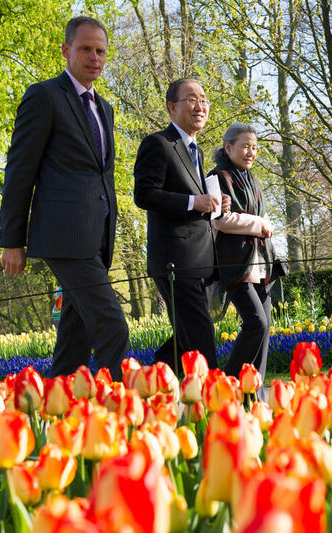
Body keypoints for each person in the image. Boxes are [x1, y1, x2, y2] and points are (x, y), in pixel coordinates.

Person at [0, 16, 128, 380]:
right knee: (113, 327)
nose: (95, 58)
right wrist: (12, 240)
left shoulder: (104, 108)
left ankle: (58, 404)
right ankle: (116, 410)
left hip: (98, 237)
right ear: (66, 50)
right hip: (64, 236)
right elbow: (20, 170)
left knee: (75, 337)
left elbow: (100, 175)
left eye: (100, 51)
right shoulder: (44, 97)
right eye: (86, 49)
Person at [133, 79, 227, 372]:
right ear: (172, 107)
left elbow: (197, 203)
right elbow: (144, 194)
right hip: (176, 262)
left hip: (201, 262)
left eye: (204, 99)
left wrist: (215, 205)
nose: (200, 106)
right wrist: (193, 201)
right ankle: (213, 394)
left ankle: (150, 380)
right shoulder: (158, 144)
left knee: (185, 342)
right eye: (192, 99)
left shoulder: (197, 151)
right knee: (200, 340)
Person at [210, 123, 276, 382]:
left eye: (255, 148)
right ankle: (227, 382)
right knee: (256, 323)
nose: (251, 153)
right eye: (246, 146)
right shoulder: (218, 177)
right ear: (228, 148)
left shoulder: (253, 180)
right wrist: (259, 224)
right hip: (235, 263)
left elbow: (264, 215)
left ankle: (254, 394)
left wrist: (265, 224)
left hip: (261, 262)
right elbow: (220, 220)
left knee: (265, 329)